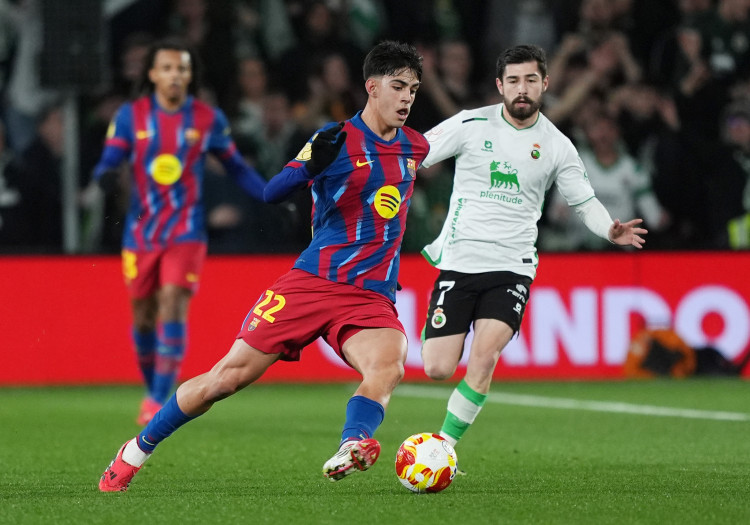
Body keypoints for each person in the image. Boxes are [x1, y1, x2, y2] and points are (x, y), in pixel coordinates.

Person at [98, 40, 428, 492]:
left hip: (369, 296)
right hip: (313, 283)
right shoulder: (335, 139)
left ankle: (352, 443)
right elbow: (274, 192)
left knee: (388, 368)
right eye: (398, 86)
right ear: (372, 87)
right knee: (225, 380)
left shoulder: (416, 146)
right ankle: (134, 452)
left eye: (413, 89)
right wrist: (311, 166)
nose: (406, 98)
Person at [418, 44, 647, 465]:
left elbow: (584, 201)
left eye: (530, 80)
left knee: (484, 358)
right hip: (460, 262)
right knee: (436, 367)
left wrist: (609, 229)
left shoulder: (557, 144)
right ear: (499, 85)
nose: (521, 89)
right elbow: (415, 154)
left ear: (545, 83)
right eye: (513, 81)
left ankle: (443, 448)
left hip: (512, 268)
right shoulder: (469, 124)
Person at [92, 38, 267, 426]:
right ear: (153, 74)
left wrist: (271, 192)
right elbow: (109, 158)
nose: (175, 75)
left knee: (172, 299)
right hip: (141, 233)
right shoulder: (131, 116)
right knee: (143, 316)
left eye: (182, 69)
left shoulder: (206, 118)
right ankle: (151, 386)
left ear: (190, 76)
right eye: (168, 68)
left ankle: (157, 396)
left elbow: (236, 167)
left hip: (186, 230)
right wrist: (104, 175)